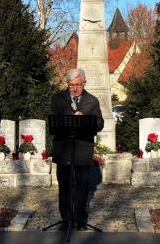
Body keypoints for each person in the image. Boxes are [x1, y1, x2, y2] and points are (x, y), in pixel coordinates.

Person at [49, 68, 104, 231]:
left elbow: (100, 123)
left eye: (78, 85)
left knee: (82, 185)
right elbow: (52, 121)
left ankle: (80, 219)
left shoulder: (92, 101)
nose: (74, 88)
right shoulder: (58, 99)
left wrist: (85, 119)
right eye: (71, 85)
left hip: (83, 147)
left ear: (84, 84)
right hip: (64, 147)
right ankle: (66, 219)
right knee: (64, 184)